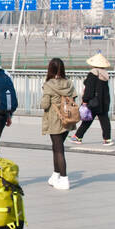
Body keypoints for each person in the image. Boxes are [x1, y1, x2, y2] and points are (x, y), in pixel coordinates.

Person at [40, 58, 77, 191]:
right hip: (67, 118)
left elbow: (44, 104)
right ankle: (55, 175)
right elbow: (74, 98)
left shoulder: (49, 85)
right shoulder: (69, 83)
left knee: (58, 149)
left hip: (55, 119)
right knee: (57, 147)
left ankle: (64, 178)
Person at [73, 53, 113, 146]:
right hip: (103, 102)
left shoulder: (93, 73)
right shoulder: (105, 74)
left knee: (87, 119)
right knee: (104, 121)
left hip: (94, 102)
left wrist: (85, 100)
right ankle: (107, 139)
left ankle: (78, 137)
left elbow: (89, 89)